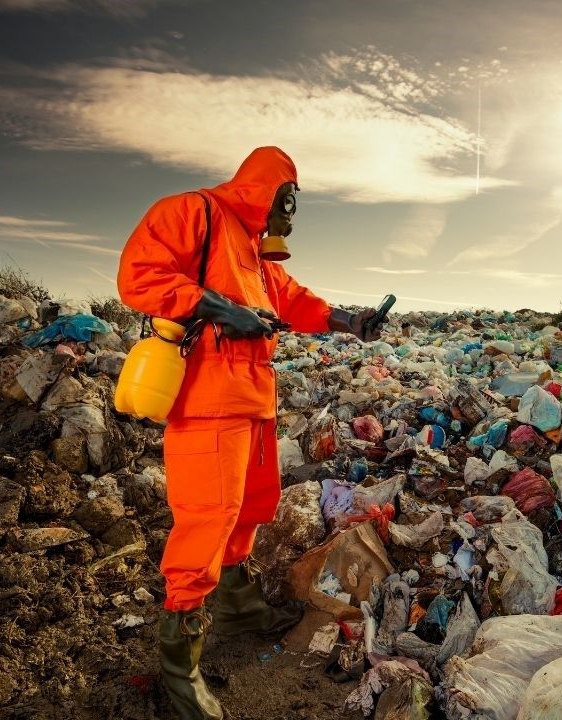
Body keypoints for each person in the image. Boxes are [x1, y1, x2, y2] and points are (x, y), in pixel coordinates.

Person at [116, 146, 382, 719]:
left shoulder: (256, 254)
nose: (290, 218)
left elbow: (292, 298)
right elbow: (139, 275)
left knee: (254, 504)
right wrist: (214, 306)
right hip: (206, 398)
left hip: (254, 397)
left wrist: (348, 321)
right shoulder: (194, 212)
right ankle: (179, 662)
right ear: (273, 195)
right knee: (208, 513)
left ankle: (236, 603)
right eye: (289, 204)